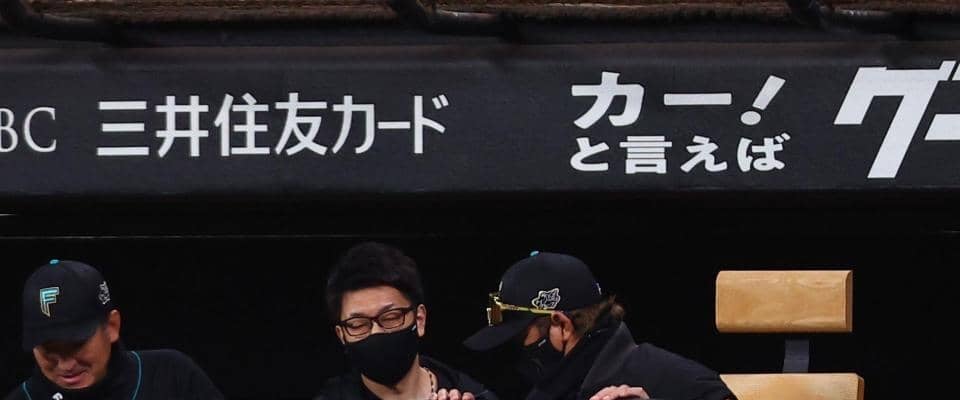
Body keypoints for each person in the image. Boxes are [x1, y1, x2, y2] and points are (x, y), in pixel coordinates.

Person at [464, 251, 737, 400]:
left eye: (521, 337)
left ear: (561, 324)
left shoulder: (676, 380)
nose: (516, 350)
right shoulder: (546, 393)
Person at [4, 259, 223, 400]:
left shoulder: (171, 377)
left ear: (111, 326)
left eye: (76, 345)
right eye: (49, 350)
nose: (66, 365)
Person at [316, 242, 498, 400]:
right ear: (341, 335)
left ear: (419, 319)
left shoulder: (473, 393)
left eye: (390, 317)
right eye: (358, 324)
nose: (376, 332)